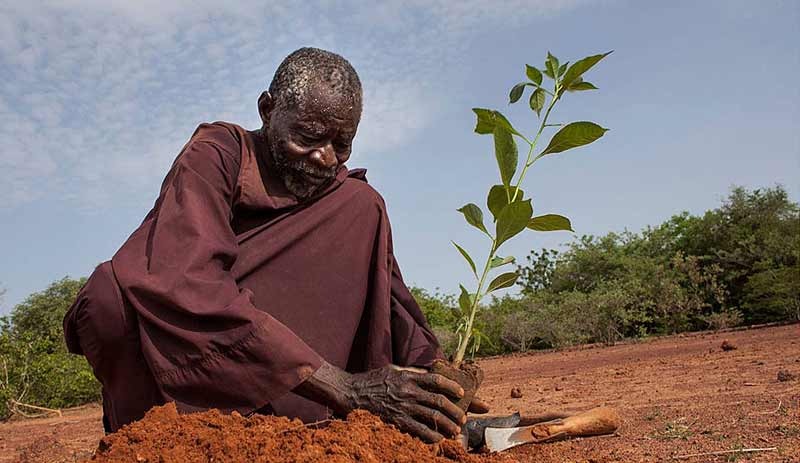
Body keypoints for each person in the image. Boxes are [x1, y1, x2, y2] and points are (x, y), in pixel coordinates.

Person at [63, 47, 486, 444]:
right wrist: (344, 387)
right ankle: (159, 437)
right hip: (188, 375)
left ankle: (332, 423)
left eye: (341, 144)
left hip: (287, 386)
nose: (325, 158)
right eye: (309, 137)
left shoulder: (347, 200)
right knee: (109, 294)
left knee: (362, 204)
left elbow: (390, 298)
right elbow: (185, 279)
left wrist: (436, 384)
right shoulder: (216, 156)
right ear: (268, 110)